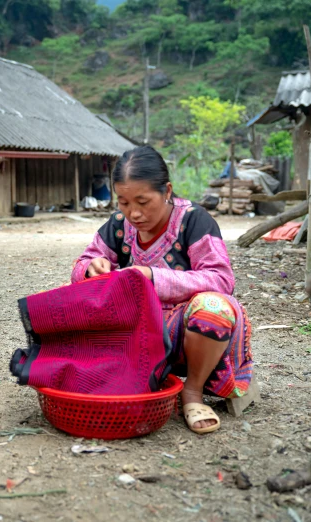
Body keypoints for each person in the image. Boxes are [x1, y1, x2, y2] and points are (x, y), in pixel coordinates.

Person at [71, 145, 253, 435]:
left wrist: (152, 277)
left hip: (188, 332)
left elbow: (221, 279)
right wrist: (93, 266)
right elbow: (83, 264)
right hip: (138, 331)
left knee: (213, 309)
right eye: (124, 202)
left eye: (143, 201)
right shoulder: (118, 226)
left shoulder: (194, 220)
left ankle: (191, 391)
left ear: (167, 191)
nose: (133, 213)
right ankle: (128, 379)